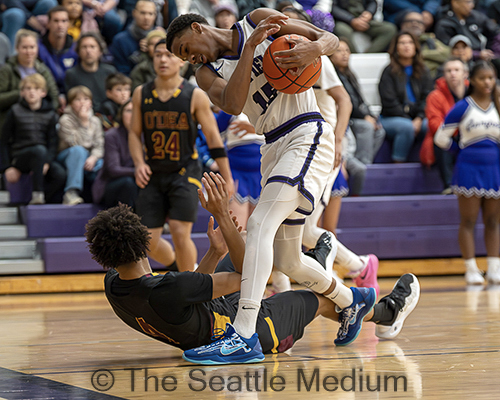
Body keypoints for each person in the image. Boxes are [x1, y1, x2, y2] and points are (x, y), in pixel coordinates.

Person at [167, 9, 375, 364]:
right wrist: (249, 48)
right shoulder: (205, 73)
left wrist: (313, 50)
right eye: (183, 57)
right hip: (273, 145)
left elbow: (329, 38)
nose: (189, 58)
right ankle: (352, 300)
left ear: (198, 27)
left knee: (260, 224)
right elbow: (233, 104)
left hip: (306, 131)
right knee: (288, 260)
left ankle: (244, 334)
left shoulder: (259, 19)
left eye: (187, 48)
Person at [85, 173, 421, 361]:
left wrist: (216, 252)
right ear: (144, 242)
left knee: (251, 243)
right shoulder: (165, 289)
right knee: (314, 299)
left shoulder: (114, 285)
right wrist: (221, 218)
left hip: (204, 314)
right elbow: (249, 278)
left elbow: (187, 293)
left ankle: (311, 267)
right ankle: (385, 312)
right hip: (245, 329)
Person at [129, 39, 234, 273]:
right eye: (158, 55)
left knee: (179, 230)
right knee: (147, 240)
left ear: (181, 61)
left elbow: (214, 140)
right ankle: (180, 268)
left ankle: (189, 288)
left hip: (185, 172)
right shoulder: (141, 93)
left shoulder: (194, 95)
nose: (163, 60)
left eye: (168, 55)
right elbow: (134, 135)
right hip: (153, 174)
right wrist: (138, 163)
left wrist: (226, 177)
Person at [435, 61, 500, 285]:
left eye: (491, 78)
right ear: (472, 80)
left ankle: (494, 268)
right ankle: (471, 269)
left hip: (495, 170)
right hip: (468, 169)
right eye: (483, 78)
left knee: (493, 221)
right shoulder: (464, 106)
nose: (488, 82)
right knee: (469, 221)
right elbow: (441, 138)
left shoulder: (498, 105)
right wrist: (460, 152)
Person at [0, 74, 66, 205]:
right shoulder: (15, 111)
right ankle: (37, 194)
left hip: (41, 157)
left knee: (60, 174)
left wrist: (47, 162)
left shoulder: (50, 114)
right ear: (22, 92)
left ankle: (36, 202)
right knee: (39, 150)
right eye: (28, 88)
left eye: (36, 88)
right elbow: (3, 141)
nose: (31, 92)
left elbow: (53, 143)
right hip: (20, 157)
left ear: (43, 92)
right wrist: (7, 167)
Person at [378, 31, 433, 163]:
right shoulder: (388, 71)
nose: (406, 46)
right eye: (402, 43)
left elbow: (428, 97)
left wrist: (419, 118)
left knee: (431, 125)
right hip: (391, 117)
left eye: (410, 42)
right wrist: (409, 120)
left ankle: (429, 162)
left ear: (415, 47)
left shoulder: (423, 70)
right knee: (406, 127)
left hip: (417, 117)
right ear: (396, 47)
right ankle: (398, 164)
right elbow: (389, 102)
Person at [330, 38, 385, 165]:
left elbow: (360, 100)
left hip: (357, 115)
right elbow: (345, 103)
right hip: (344, 118)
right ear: (331, 56)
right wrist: (365, 117)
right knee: (366, 126)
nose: (344, 54)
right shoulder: (333, 75)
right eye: (339, 51)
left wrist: (370, 115)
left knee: (380, 130)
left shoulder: (350, 74)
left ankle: (365, 161)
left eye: (347, 50)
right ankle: (361, 163)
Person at [0, 29, 59, 136]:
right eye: (24, 47)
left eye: (32, 47)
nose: (29, 52)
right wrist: (20, 94)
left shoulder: (43, 70)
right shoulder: (7, 70)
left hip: (39, 122)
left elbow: (54, 97)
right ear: (17, 48)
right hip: (11, 123)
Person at [422, 58, 468, 193]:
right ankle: (449, 186)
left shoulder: (474, 94)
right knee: (441, 142)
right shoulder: (435, 96)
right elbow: (435, 124)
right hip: (449, 138)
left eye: (456, 70)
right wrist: (458, 130)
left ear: (465, 73)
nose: (453, 74)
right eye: (449, 71)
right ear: (444, 74)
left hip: (470, 138)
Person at [57, 85, 104, 205]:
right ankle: (71, 192)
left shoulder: (95, 120)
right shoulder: (65, 120)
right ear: (71, 104)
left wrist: (93, 157)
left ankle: (101, 196)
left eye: (86, 99)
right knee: (78, 151)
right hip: (68, 154)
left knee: (104, 163)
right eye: (78, 100)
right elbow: (76, 143)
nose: (82, 103)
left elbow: (100, 144)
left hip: (89, 157)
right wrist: (84, 123)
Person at [92, 100, 139, 208]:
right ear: (121, 114)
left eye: (136, 111)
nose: (132, 115)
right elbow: (114, 169)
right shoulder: (112, 135)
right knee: (129, 183)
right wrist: (138, 171)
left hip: (136, 182)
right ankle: (128, 222)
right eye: (128, 111)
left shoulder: (145, 136)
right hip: (111, 185)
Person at [434, 0, 500, 74]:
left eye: (472, 2)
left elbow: (495, 32)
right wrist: (477, 55)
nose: (472, 5)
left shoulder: (476, 16)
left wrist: (494, 52)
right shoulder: (444, 24)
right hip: (458, 63)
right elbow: (447, 51)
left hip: (484, 59)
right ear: (455, 3)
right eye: (468, 2)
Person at [65, 32, 117, 110]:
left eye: (92, 47)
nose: (88, 51)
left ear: (100, 51)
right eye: (84, 47)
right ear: (78, 51)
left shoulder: (110, 72)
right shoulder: (71, 74)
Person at [37, 6, 78, 97]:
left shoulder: (76, 49)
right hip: (45, 95)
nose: (60, 25)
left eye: (64, 21)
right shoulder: (37, 48)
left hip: (72, 96)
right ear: (48, 24)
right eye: (56, 21)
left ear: (69, 24)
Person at [110, 0, 159, 75]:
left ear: (155, 16)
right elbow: (122, 72)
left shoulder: (161, 39)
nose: (146, 17)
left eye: (150, 14)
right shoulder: (120, 40)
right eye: (142, 13)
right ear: (134, 13)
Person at [399, 11, 451, 79]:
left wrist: (422, 54)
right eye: (410, 21)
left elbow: (448, 54)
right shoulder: (398, 41)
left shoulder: (430, 40)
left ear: (424, 27)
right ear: (403, 25)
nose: (415, 23)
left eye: (419, 22)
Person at [331, 0, 397, 53]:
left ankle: (368, 54)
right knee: (341, 30)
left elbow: (372, 2)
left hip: (365, 19)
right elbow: (333, 7)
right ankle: (354, 55)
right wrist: (351, 20)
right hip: (345, 21)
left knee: (390, 29)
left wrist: (369, 12)